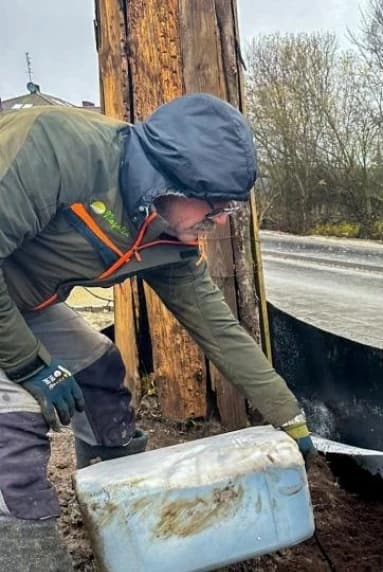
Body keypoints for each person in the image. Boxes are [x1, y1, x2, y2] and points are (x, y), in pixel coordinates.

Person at [0, 93, 313, 569]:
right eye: (216, 203)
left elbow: (218, 328)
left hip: (19, 300)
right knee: (17, 425)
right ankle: (27, 552)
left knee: (99, 372)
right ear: (173, 179)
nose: (223, 218)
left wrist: (288, 415)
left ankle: (122, 520)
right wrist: (27, 364)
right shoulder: (57, 148)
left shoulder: (165, 233)